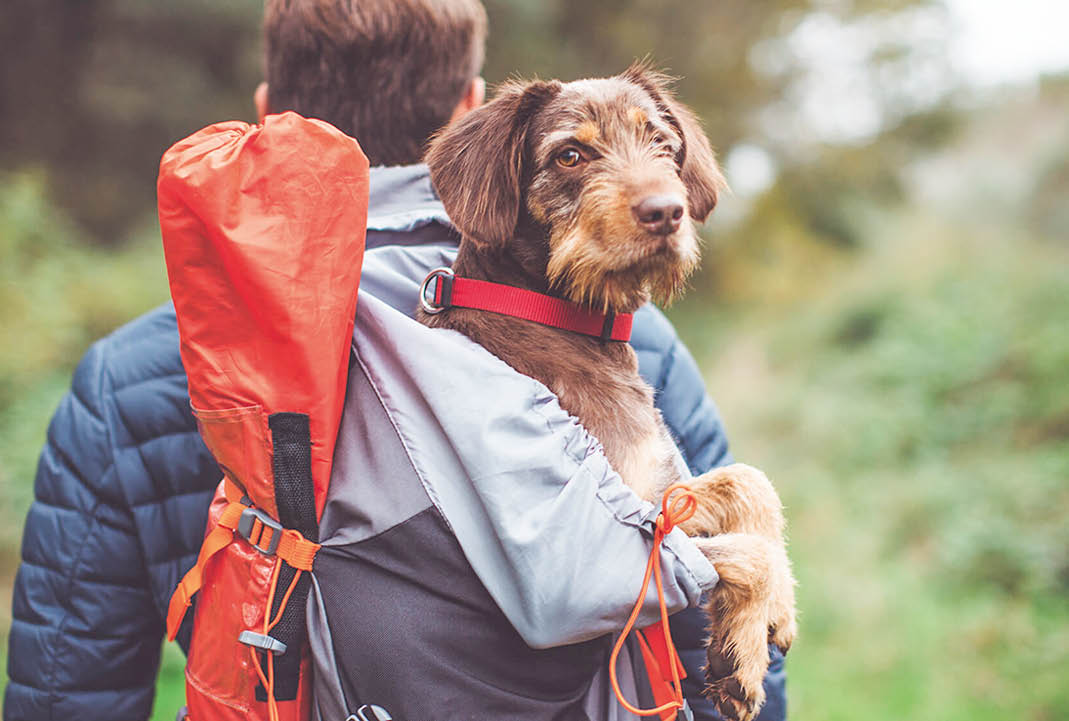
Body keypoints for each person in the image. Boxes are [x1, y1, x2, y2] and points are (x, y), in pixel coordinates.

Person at [3, 1, 786, 720]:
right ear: (472, 108)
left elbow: (67, 688)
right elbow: (721, 655)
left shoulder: (127, 374)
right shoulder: (623, 334)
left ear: (269, 112)